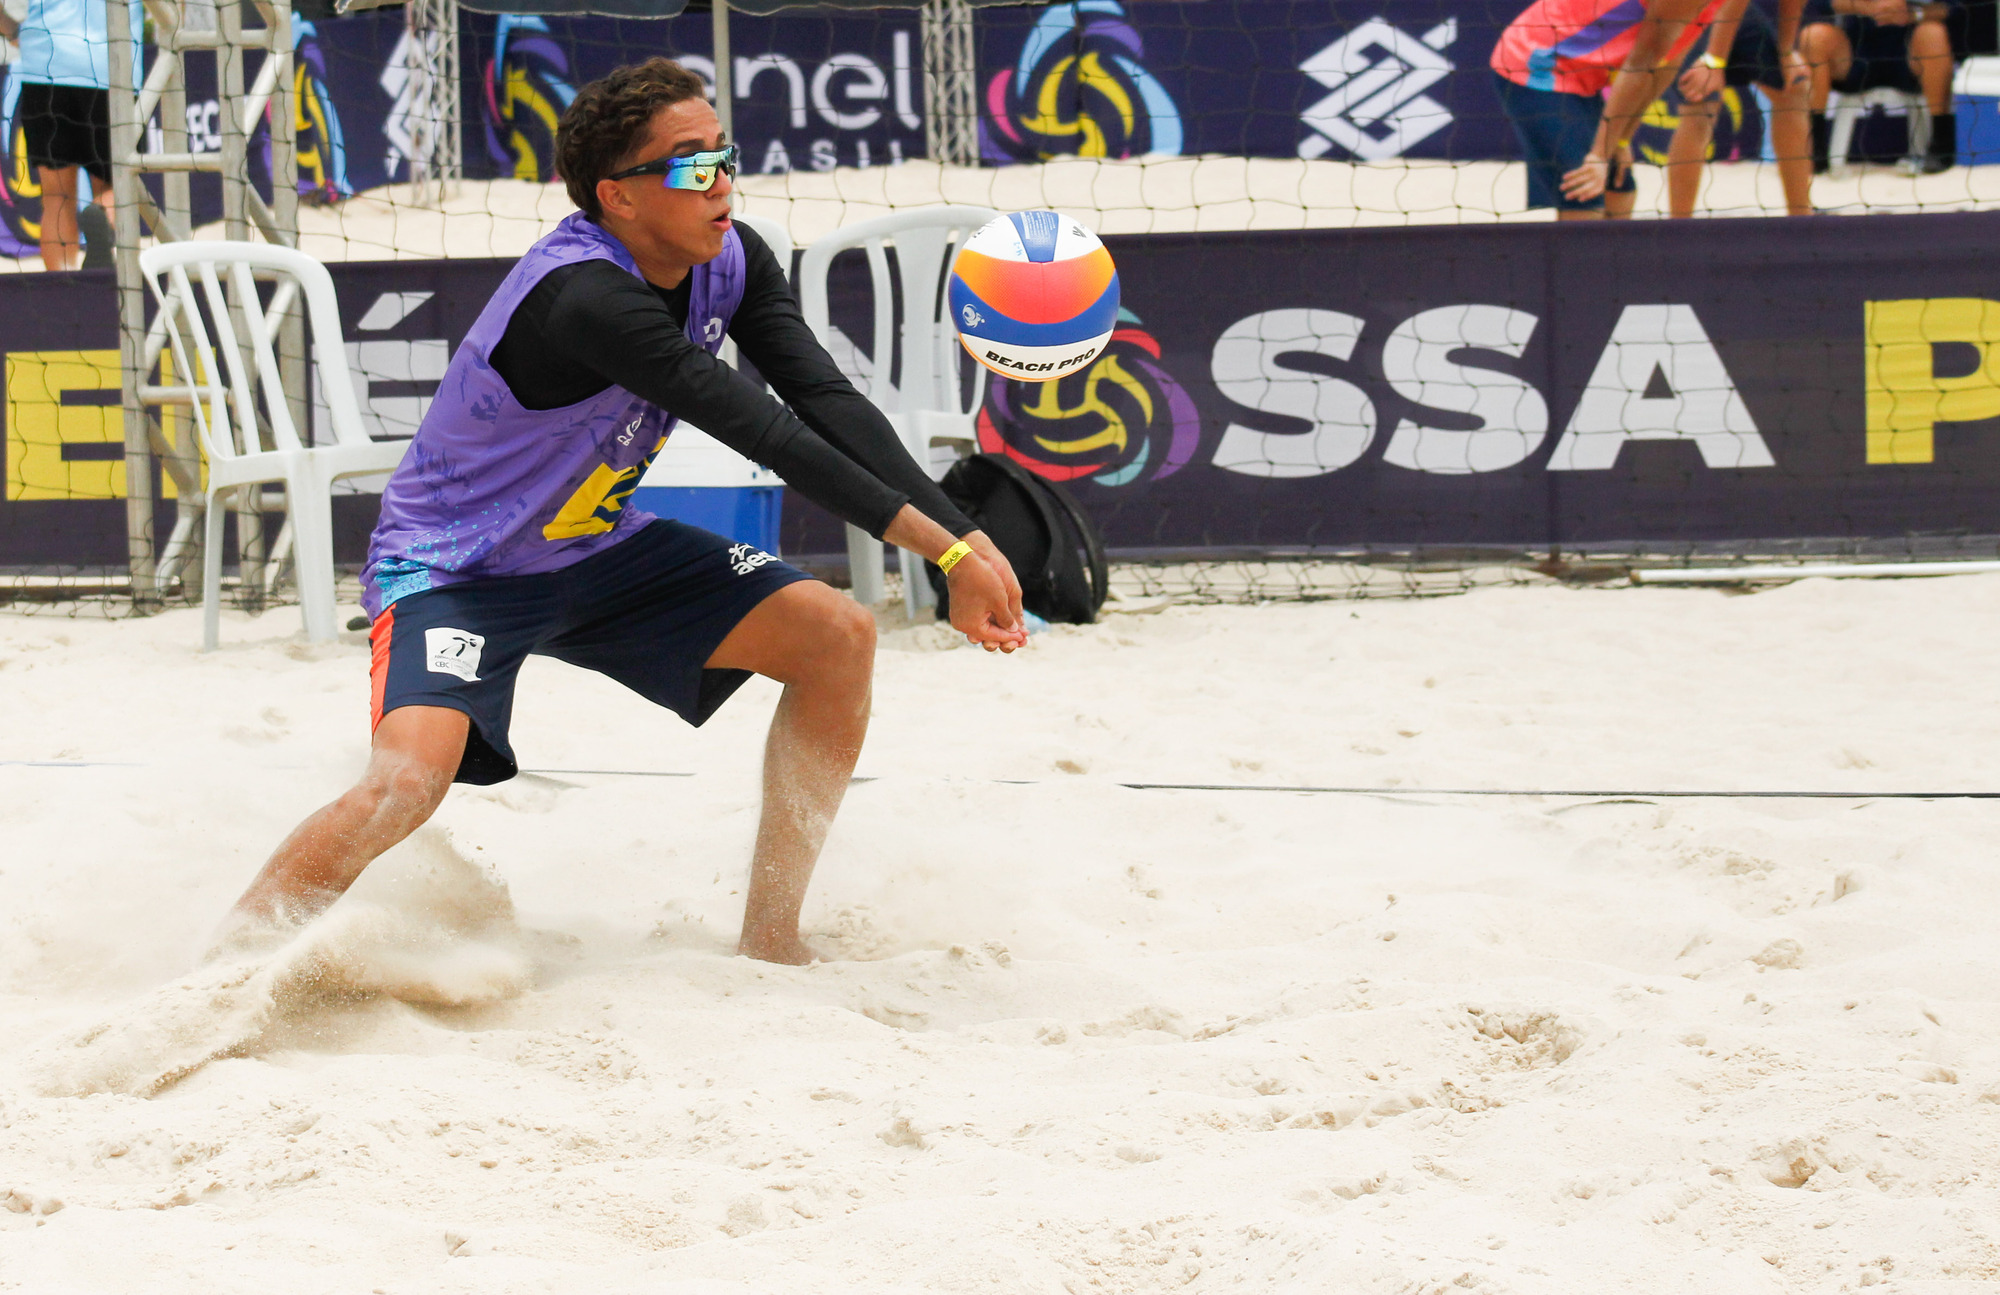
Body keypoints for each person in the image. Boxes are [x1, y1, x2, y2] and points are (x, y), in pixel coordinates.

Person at [211, 58, 1029, 967]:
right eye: (693, 165)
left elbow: (825, 400)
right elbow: (765, 431)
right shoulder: (584, 295)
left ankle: (771, 939)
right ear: (620, 196)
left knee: (837, 636)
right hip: (458, 567)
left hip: (594, 546)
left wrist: (962, 533)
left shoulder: (733, 258)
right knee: (407, 781)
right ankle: (227, 967)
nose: (721, 182)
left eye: (724, 155)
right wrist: (944, 558)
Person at [1492, 0, 1732, 219]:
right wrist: (1600, 154)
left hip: (1584, 74)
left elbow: (1664, 65)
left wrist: (1620, 140)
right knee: (1586, 198)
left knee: (1619, 192)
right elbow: (1641, 64)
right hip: (1537, 62)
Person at [0, 0, 123, 270]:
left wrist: (15, 34)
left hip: (44, 65)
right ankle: (102, 234)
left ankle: (61, 282)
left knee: (56, 197)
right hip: (111, 65)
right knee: (116, 184)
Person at [1665, 0, 1814, 216]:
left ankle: (1801, 218)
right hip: (1692, 8)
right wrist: (1714, 61)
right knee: (1700, 104)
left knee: (1793, 90)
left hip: (1737, 11)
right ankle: (1679, 224)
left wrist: (1786, 52)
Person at [1801, 0, 1959, 173]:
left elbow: (1952, 8)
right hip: (1856, 51)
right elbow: (1817, 4)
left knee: (1933, 33)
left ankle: (1940, 145)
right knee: (1813, 37)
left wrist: (1911, 14)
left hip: (1909, 51)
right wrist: (1866, 7)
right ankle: (1815, 148)